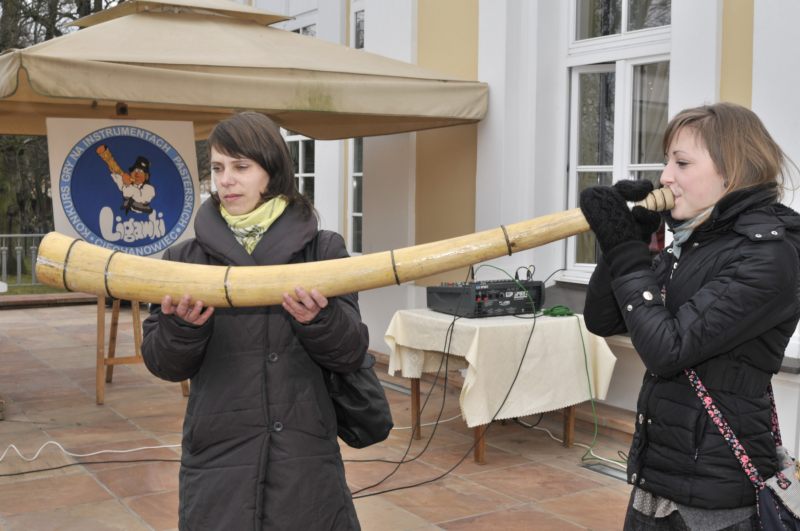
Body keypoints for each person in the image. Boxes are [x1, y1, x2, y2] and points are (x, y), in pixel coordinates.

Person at [141, 111, 368, 530]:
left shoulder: (322, 252)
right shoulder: (184, 260)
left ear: (273, 171)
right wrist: (182, 328)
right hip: (218, 454)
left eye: (241, 167)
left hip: (303, 456)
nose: (226, 180)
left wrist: (319, 320)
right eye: (218, 168)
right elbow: (163, 363)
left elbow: (351, 351)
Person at [579, 102, 800, 530]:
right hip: (658, 477)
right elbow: (604, 319)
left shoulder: (768, 255)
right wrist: (626, 243)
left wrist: (627, 253)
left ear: (731, 172)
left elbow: (668, 349)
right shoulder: (695, 242)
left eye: (681, 163)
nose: (665, 176)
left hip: (715, 498)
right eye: (667, 162)